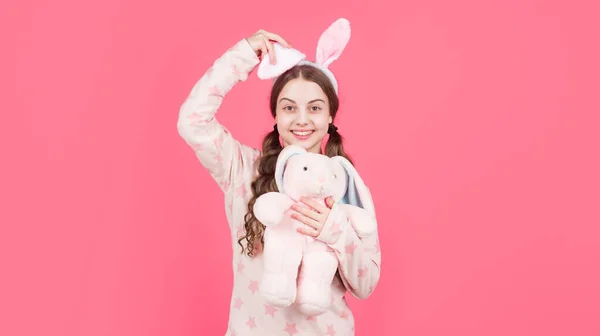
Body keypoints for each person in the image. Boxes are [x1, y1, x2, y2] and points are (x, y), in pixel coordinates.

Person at [177, 21, 381, 336]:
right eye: (289, 108)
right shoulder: (245, 169)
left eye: (314, 108)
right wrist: (243, 55)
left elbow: (365, 285)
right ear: (276, 115)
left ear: (330, 116)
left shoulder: (346, 185)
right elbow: (192, 121)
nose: (301, 120)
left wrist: (333, 229)